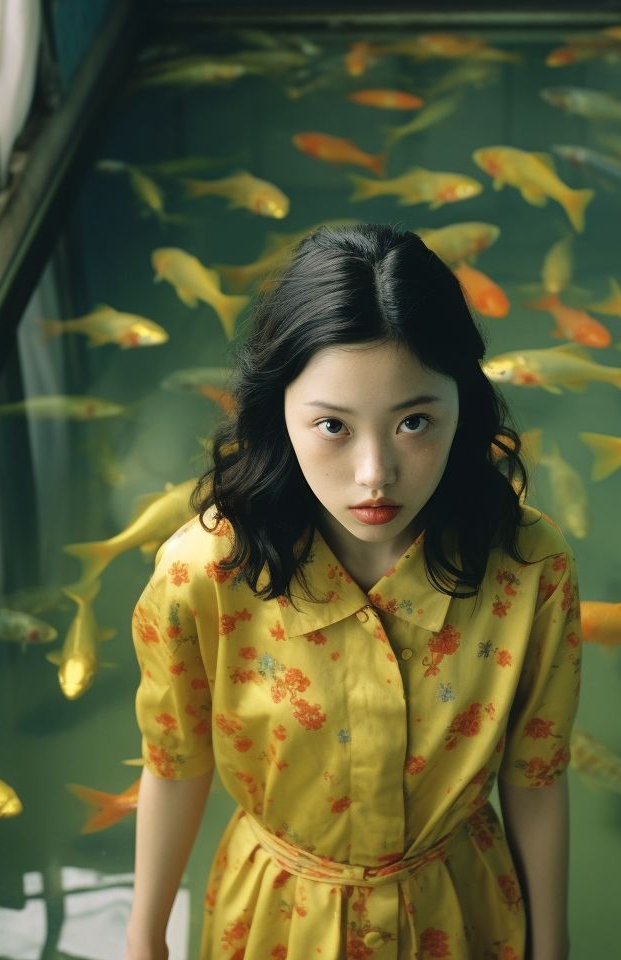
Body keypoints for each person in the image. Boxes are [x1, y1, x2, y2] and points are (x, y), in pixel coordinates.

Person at [125, 223, 582, 960]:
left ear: (463, 404)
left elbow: (535, 775)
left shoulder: (530, 567)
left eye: (413, 422)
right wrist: (145, 937)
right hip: (274, 921)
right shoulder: (200, 576)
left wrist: (551, 946)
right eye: (332, 425)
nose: (375, 474)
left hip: (461, 913)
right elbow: (175, 763)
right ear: (280, 412)